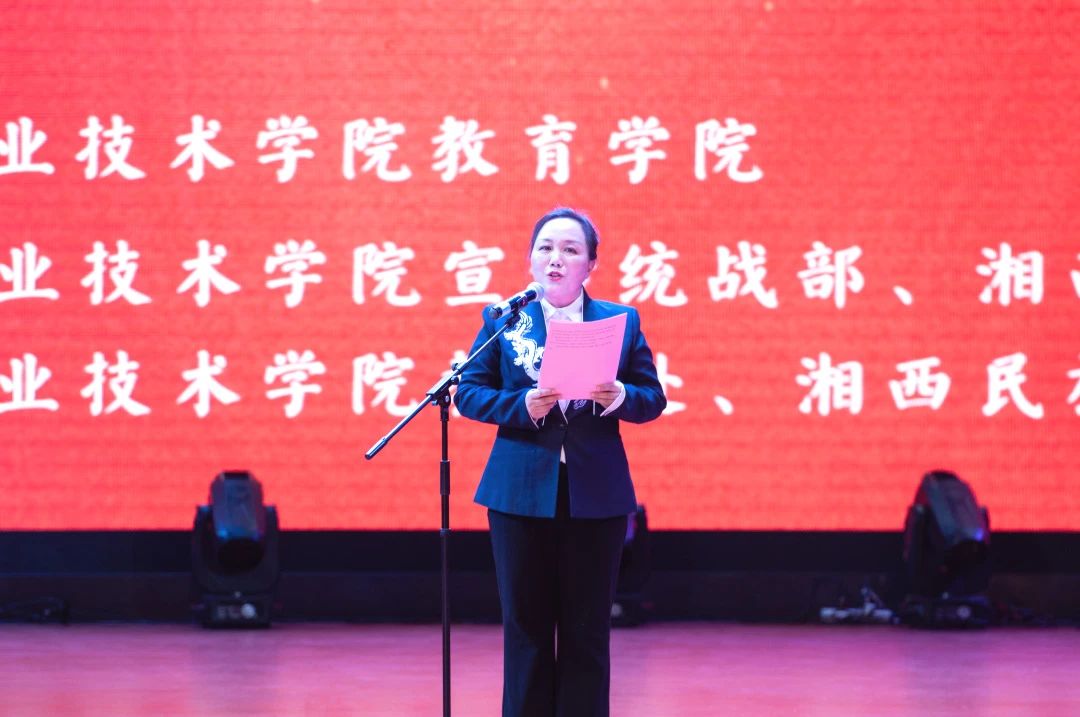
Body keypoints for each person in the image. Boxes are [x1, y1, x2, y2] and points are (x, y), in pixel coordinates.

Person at [455, 207, 667, 717]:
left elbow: (652, 398)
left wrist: (621, 396)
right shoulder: (504, 319)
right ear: (531, 259)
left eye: (570, 250)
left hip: (596, 494)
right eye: (545, 248)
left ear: (590, 265)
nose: (555, 258)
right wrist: (521, 406)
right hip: (519, 491)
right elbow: (468, 392)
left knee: (586, 631)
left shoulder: (620, 321)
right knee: (525, 628)